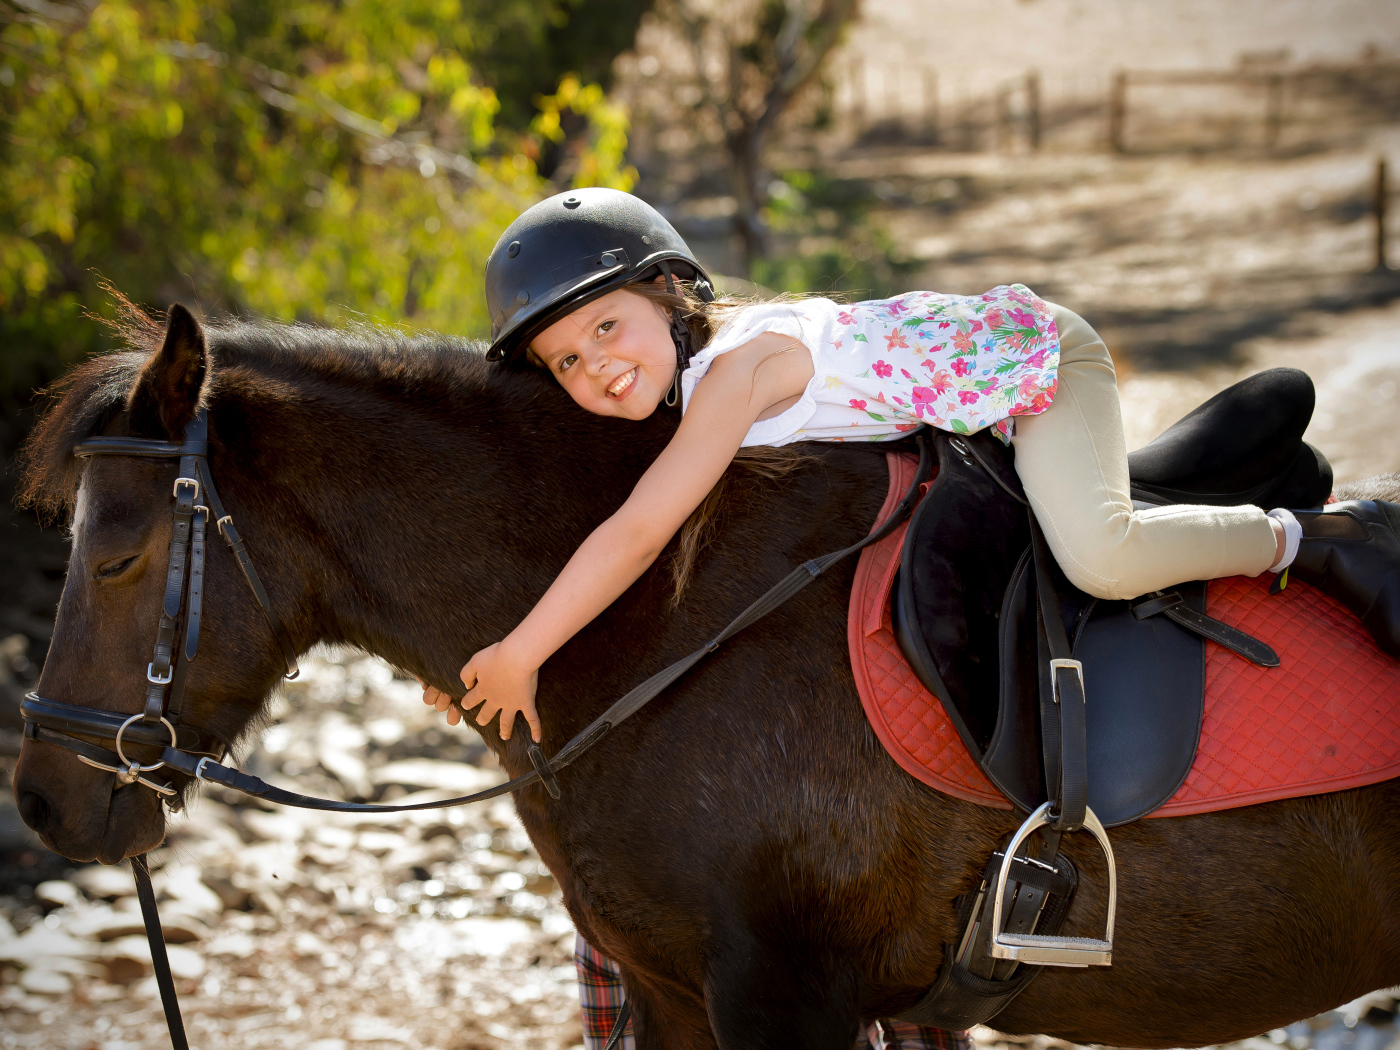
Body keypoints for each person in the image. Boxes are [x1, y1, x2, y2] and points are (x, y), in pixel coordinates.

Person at [420, 188, 1399, 738]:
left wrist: (524, 654)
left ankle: (1315, 541)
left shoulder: (735, 375)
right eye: (566, 362)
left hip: (1038, 365)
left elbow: (640, 530)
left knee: (1100, 554)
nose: (596, 366)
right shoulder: (688, 387)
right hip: (968, 410)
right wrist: (491, 649)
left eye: (605, 327)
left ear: (670, 294)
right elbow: (610, 522)